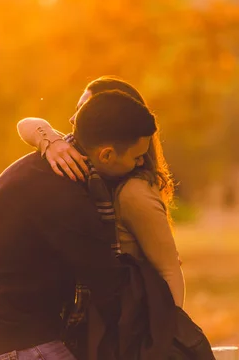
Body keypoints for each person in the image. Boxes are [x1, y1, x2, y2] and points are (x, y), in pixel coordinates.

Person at [0, 91, 158, 360]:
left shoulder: (50, 165)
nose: (142, 162)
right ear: (107, 155)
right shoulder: (69, 198)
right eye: (136, 157)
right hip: (16, 350)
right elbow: (111, 290)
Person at [17, 76, 185, 308]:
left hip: (130, 313)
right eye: (78, 109)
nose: (73, 118)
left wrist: (172, 334)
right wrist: (50, 141)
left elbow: (169, 269)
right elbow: (25, 124)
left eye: (85, 108)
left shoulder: (133, 190)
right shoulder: (83, 159)